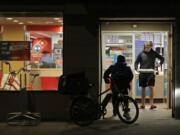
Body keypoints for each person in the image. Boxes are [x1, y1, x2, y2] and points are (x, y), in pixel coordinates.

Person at [134, 41, 164, 109]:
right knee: (143, 88)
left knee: (151, 88)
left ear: (151, 46)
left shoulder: (153, 53)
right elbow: (136, 62)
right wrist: (136, 68)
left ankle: (151, 104)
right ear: (144, 46)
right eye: (146, 47)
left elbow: (162, 58)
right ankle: (143, 104)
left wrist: (159, 64)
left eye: (149, 47)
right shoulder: (141, 53)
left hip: (151, 73)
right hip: (142, 73)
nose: (148, 48)